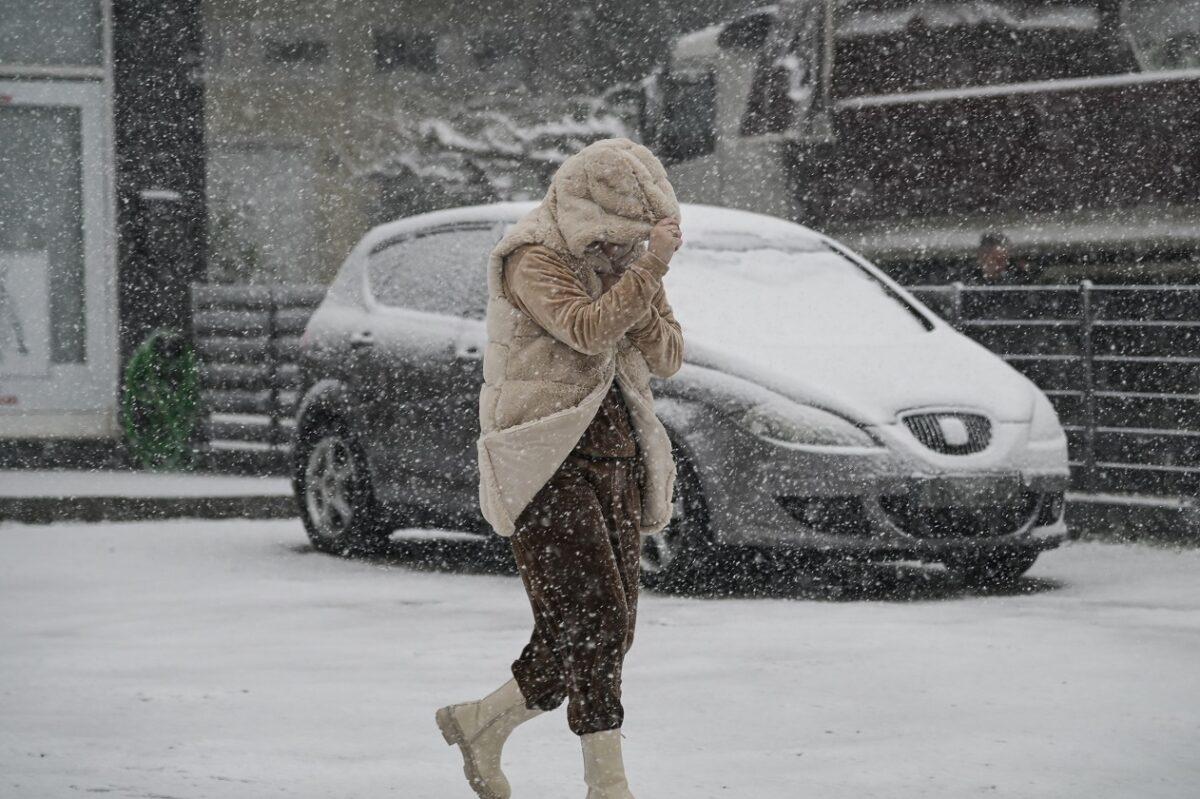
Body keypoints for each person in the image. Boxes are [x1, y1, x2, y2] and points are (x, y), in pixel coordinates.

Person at [435, 138, 684, 799]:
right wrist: (646, 270)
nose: (616, 251)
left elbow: (668, 357)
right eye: (611, 239)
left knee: (600, 624)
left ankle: (483, 722)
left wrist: (646, 278)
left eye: (627, 242)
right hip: (542, 458)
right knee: (596, 615)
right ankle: (608, 783)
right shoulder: (532, 259)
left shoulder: (628, 267)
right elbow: (585, 328)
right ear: (584, 213)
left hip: (617, 457)